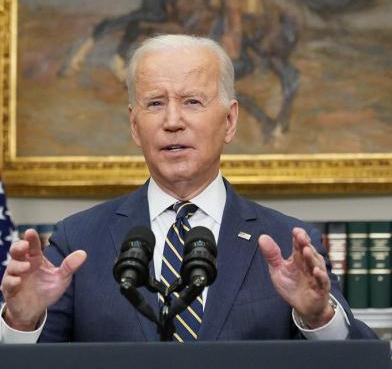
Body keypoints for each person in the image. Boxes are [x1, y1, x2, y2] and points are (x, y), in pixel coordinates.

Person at [0, 34, 376, 342]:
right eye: (155, 103)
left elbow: (361, 361)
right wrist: (21, 323)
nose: (172, 121)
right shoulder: (78, 240)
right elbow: (36, 361)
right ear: (135, 126)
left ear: (229, 121)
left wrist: (319, 318)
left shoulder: (285, 242)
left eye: (192, 101)